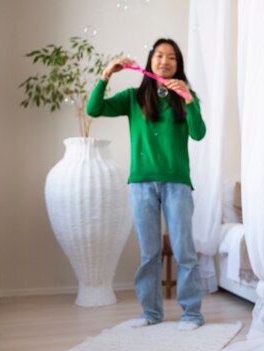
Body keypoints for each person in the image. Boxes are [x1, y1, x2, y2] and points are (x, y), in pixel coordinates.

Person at [86, 38, 206, 331]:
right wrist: (106, 75)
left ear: (178, 65)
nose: (165, 61)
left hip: (177, 184)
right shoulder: (132, 98)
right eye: (159, 56)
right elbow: (94, 108)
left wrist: (189, 101)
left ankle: (192, 314)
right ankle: (151, 313)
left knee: (184, 251)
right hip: (140, 185)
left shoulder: (186, 97)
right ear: (151, 61)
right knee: (149, 253)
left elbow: (199, 133)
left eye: (171, 58)